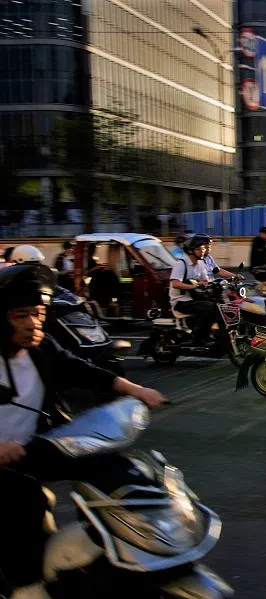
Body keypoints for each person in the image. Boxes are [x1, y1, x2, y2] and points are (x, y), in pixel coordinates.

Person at [0, 263, 167, 599]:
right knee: (25, 500)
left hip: (33, 447)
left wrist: (136, 390)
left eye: (38, 313)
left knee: (116, 466)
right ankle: (25, 587)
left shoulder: (42, 348)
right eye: (21, 315)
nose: (33, 323)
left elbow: (82, 370)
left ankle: (140, 543)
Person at [169, 235, 216, 346]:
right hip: (180, 301)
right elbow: (175, 283)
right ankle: (198, 337)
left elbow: (205, 281)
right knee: (209, 308)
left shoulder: (200, 264)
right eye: (198, 249)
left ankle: (211, 334)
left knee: (217, 306)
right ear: (190, 251)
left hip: (194, 298)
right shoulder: (181, 264)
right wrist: (194, 286)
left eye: (203, 248)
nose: (202, 251)